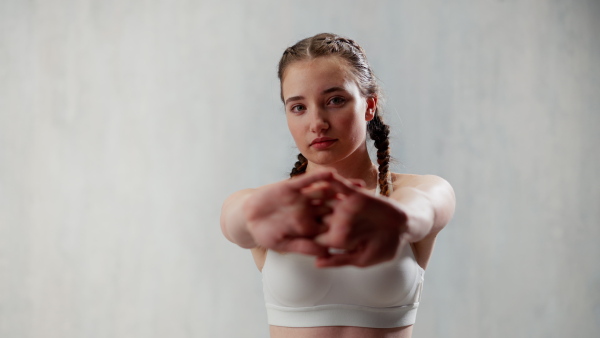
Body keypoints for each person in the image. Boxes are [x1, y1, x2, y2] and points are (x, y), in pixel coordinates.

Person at [220, 33, 456, 338]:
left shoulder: (417, 191)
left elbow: (426, 208)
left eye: (335, 100)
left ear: (369, 106)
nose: (317, 122)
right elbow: (234, 219)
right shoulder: (269, 205)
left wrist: (397, 222)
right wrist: (253, 216)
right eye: (299, 107)